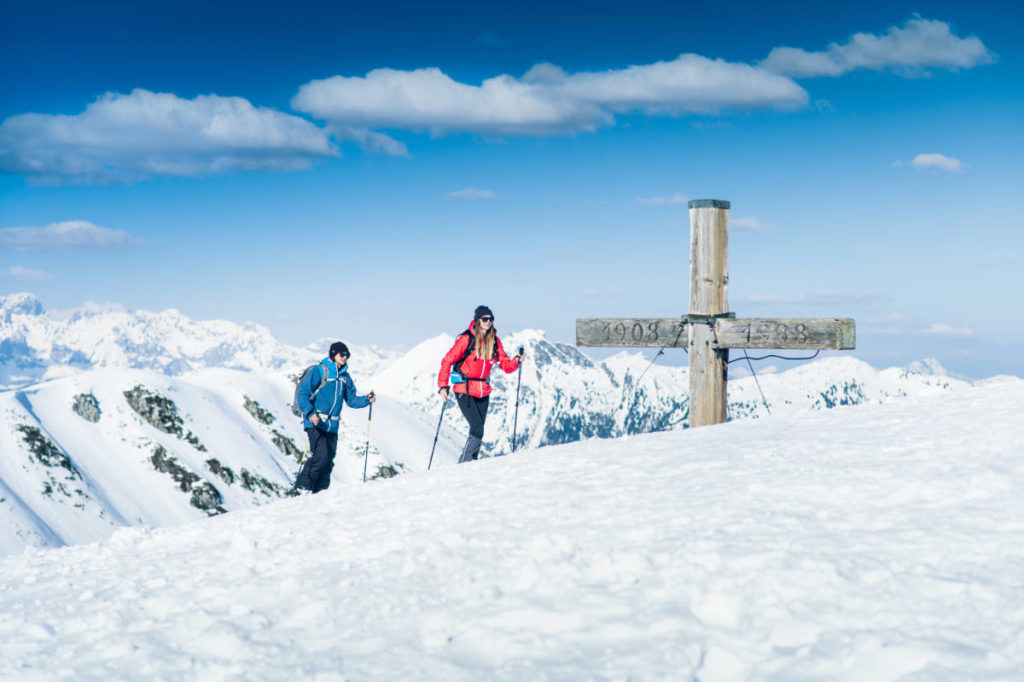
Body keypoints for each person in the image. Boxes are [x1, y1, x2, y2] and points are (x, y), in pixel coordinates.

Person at [438, 306, 523, 463]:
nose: (488, 322)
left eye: (491, 319)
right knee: (477, 428)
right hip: (465, 388)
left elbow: (505, 364)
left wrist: (516, 362)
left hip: (483, 390)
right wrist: (443, 386)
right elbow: (447, 360)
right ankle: (465, 463)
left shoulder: (494, 341)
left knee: (478, 430)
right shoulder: (467, 339)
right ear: (478, 320)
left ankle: (470, 461)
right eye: (485, 319)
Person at [295, 341, 375, 493]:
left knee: (329, 460)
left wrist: (366, 399)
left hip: (332, 425)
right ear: (333, 354)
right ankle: (303, 488)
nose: (345, 357)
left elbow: (351, 400)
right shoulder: (319, 371)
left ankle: (320, 493)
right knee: (321, 456)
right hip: (316, 422)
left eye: (347, 355)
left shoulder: (345, 377)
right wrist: (311, 413)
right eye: (342, 354)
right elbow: (303, 394)